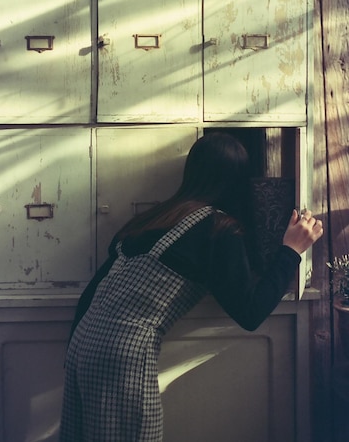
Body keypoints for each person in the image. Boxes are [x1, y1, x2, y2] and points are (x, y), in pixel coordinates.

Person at [59, 132, 323, 442]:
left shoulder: (152, 218)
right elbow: (250, 313)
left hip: (82, 343)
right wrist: (291, 250)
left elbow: (94, 289)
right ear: (239, 179)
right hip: (123, 354)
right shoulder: (218, 228)